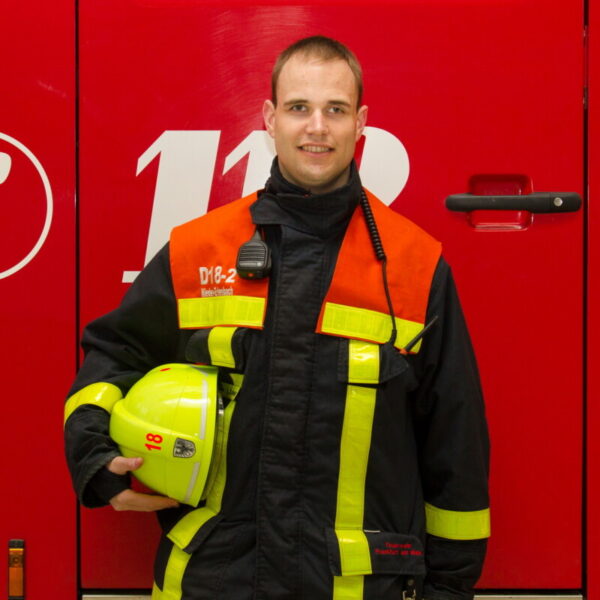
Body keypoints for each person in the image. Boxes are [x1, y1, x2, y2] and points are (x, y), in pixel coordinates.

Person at [64, 35, 490, 600]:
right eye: (298, 107)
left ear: (361, 122)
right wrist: (94, 457)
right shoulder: (199, 251)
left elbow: (455, 441)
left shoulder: (415, 266)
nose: (317, 127)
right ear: (269, 118)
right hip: (217, 580)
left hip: (357, 586)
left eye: (335, 109)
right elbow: (114, 354)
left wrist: (451, 587)